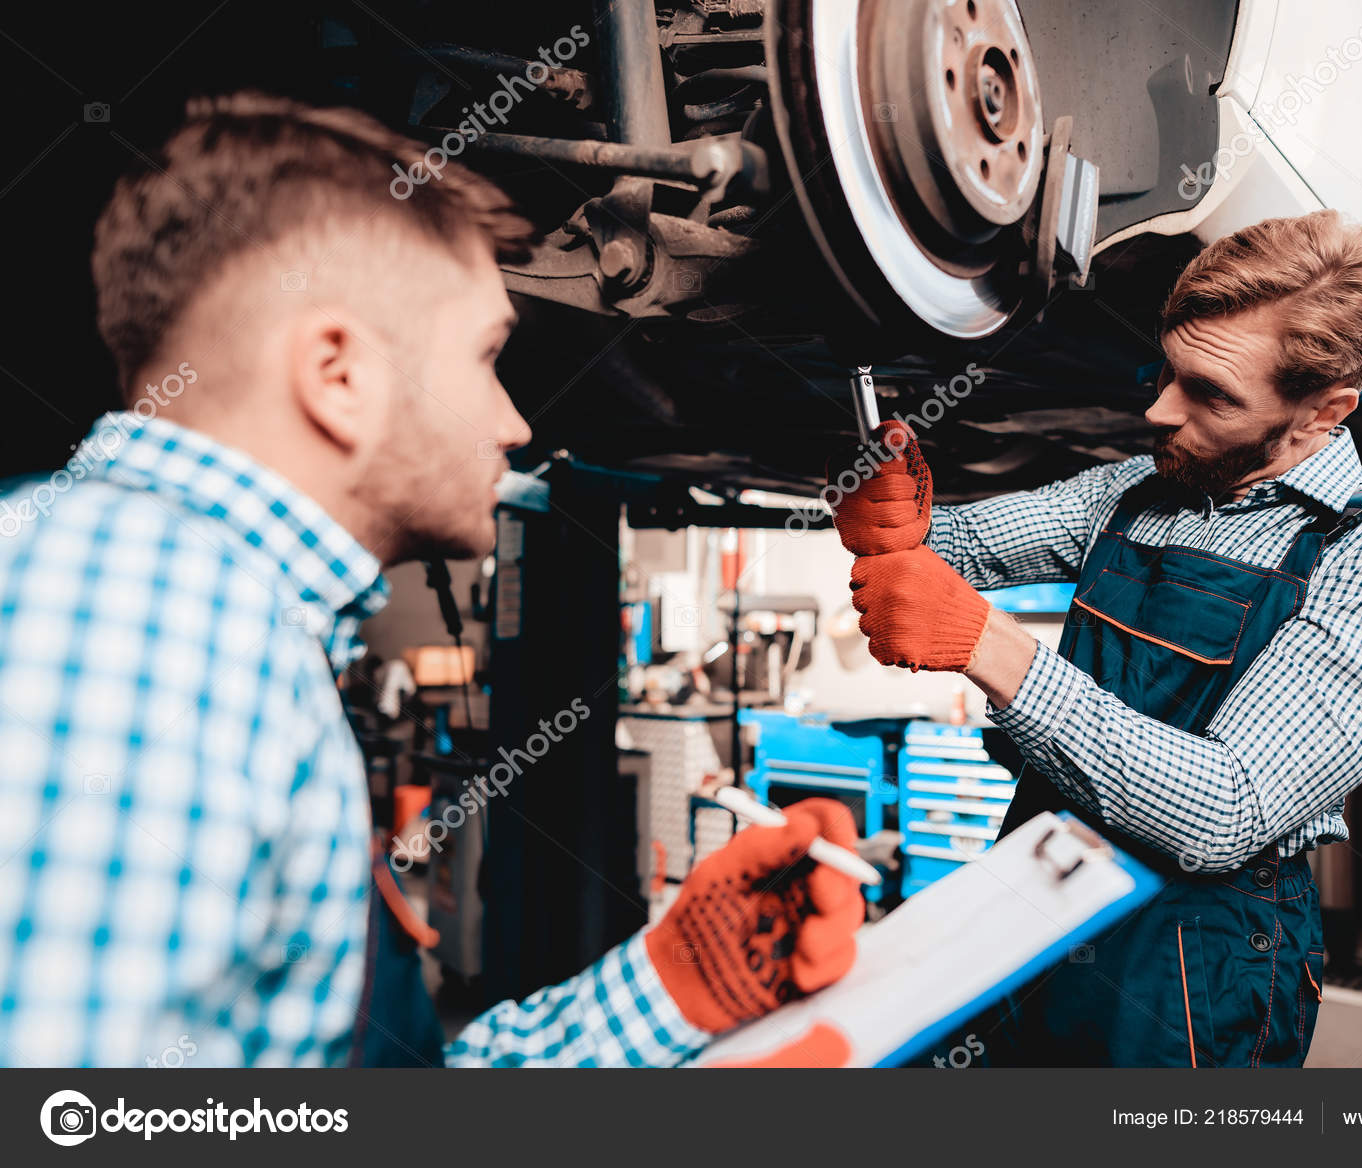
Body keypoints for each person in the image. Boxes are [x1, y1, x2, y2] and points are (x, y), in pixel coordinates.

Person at [0, 92, 862, 1068]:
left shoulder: (174, 594)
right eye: (487, 356)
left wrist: (670, 989)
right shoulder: (149, 621)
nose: (515, 423)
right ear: (338, 375)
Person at [835, 210, 1362, 1067]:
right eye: (1170, 372)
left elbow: (1225, 810)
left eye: (1210, 394)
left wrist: (993, 650)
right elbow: (961, 548)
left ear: (1324, 412)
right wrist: (898, 521)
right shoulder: (1139, 490)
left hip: (1194, 954)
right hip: (1039, 880)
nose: (1159, 410)